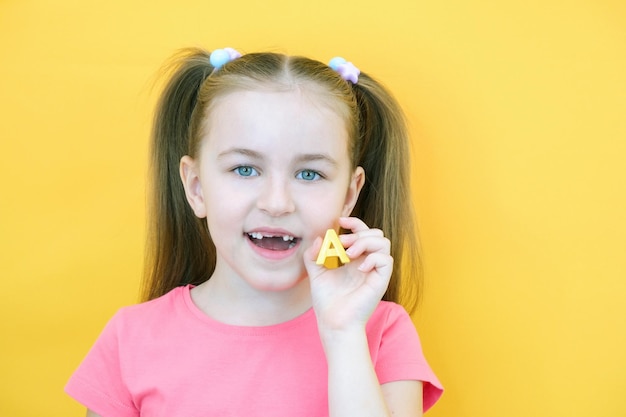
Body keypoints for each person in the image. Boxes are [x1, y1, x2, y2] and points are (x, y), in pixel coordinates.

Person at [65, 47, 443, 417]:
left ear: (348, 196)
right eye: (245, 169)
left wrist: (344, 334)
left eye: (309, 174)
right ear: (196, 187)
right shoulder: (130, 339)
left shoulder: (380, 333)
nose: (277, 203)